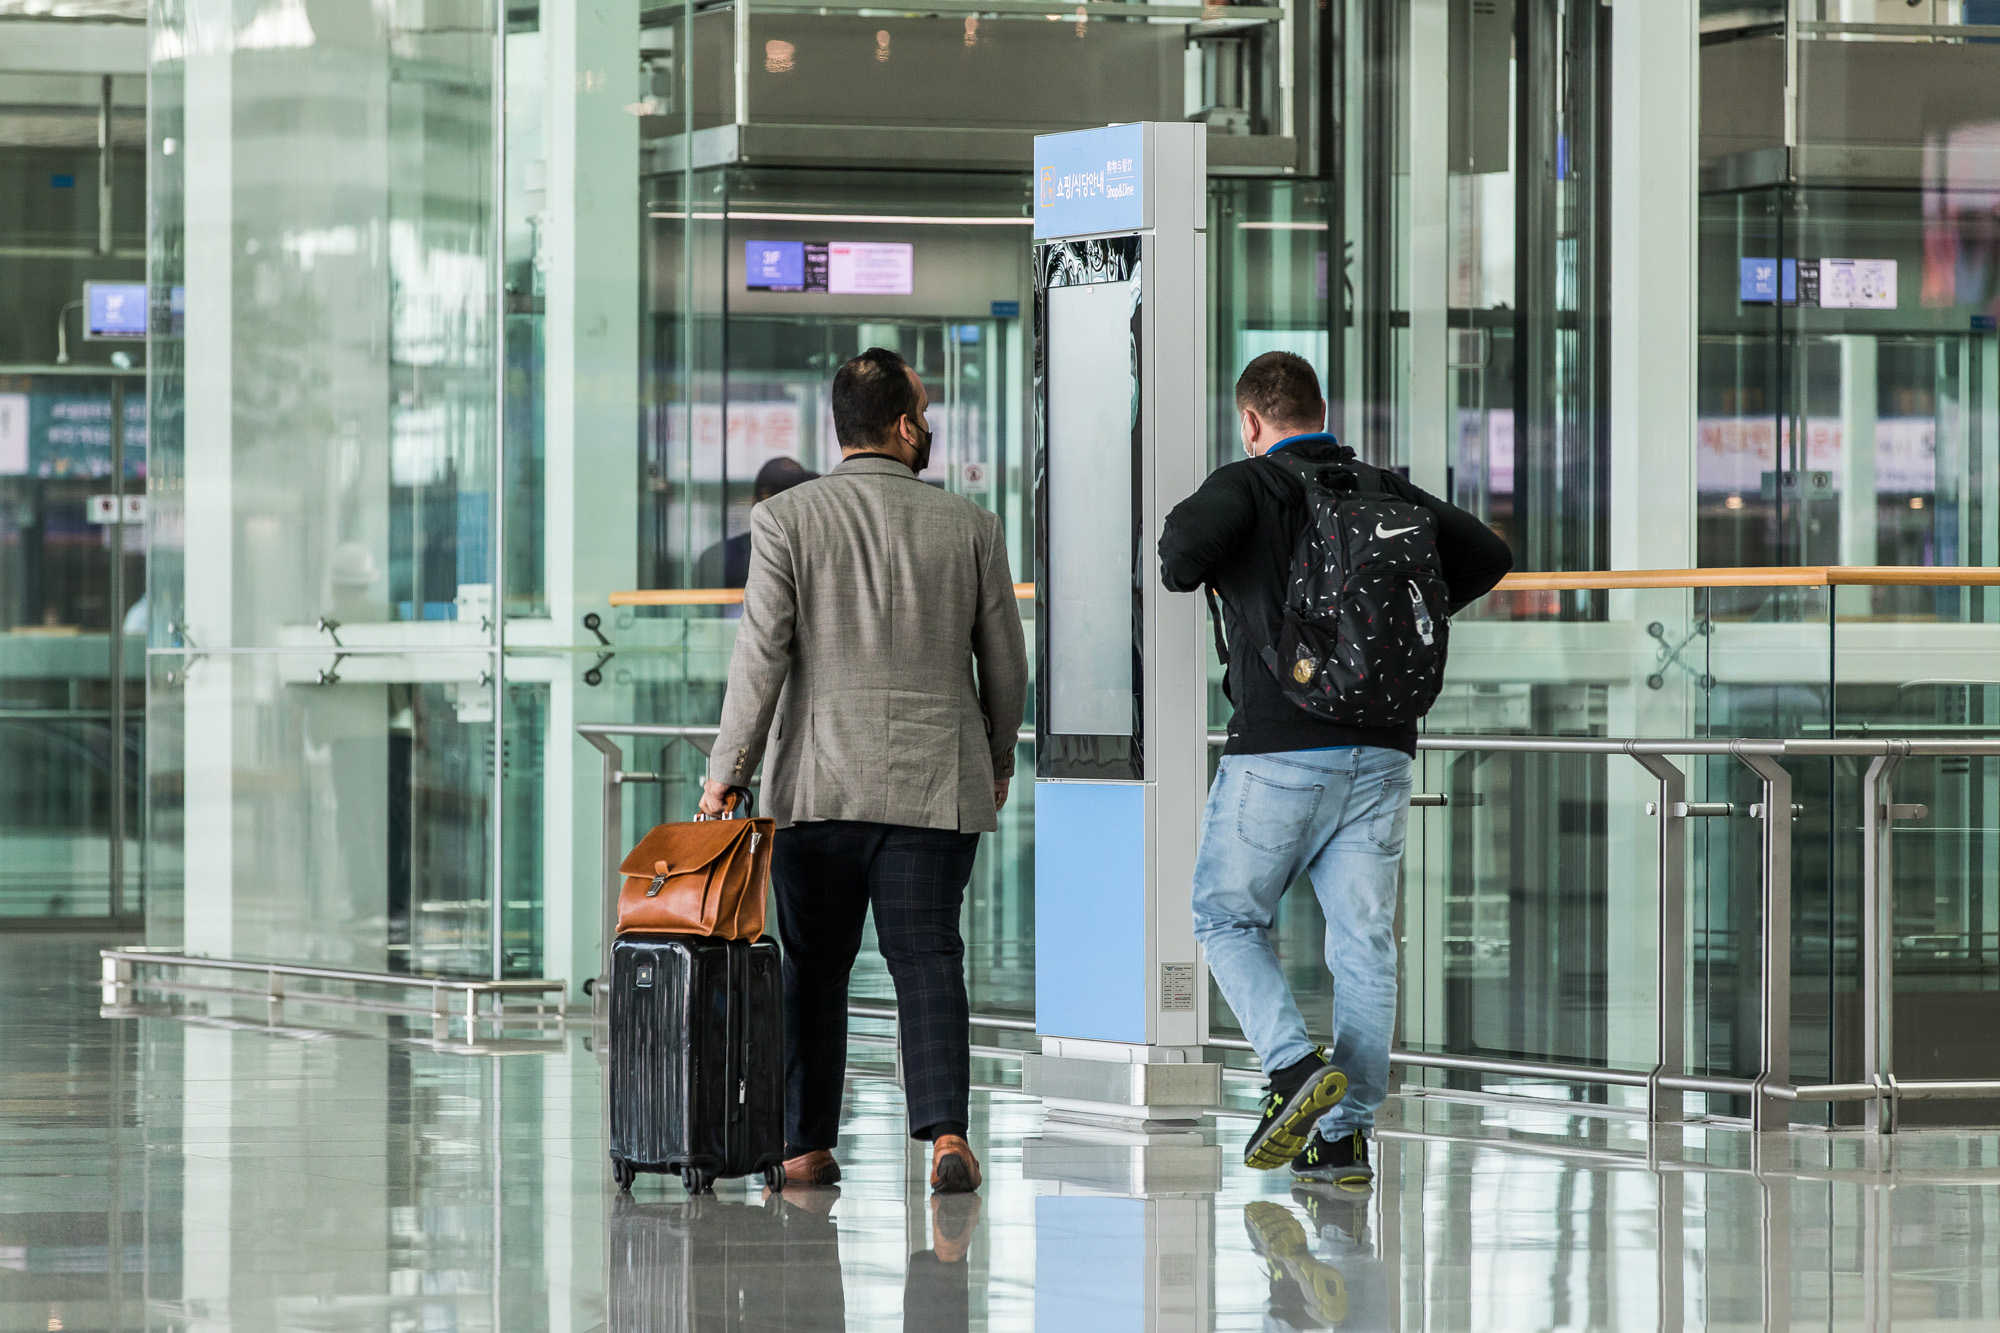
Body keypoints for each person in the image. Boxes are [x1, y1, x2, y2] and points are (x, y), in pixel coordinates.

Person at [1157, 351, 1511, 1188]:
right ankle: (1345, 1137)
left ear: (1251, 422)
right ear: (1324, 410)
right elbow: (1488, 555)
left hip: (1282, 746)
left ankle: (1289, 1071)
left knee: (1224, 915)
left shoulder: (1253, 483)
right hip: (1385, 750)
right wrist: (1379, 630)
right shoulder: (1384, 488)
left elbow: (1178, 554)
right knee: (1363, 945)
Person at [702, 347, 1028, 1195]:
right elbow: (1006, 667)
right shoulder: (970, 525)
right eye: (925, 411)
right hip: (933, 783)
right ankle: (947, 1134)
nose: (931, 427)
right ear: (904, 424)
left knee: (815, 965)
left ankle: (806, 1145)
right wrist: (994, 760)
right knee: (928, 956)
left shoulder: (789, 521)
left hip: (820, 787)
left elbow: (760, 660)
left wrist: (727, 775)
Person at [694, 456, 819, 591]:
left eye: (794, 496)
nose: (786, 506)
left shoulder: (817, 555)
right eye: (775, 496)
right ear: (756, 502)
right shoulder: (720, 559)